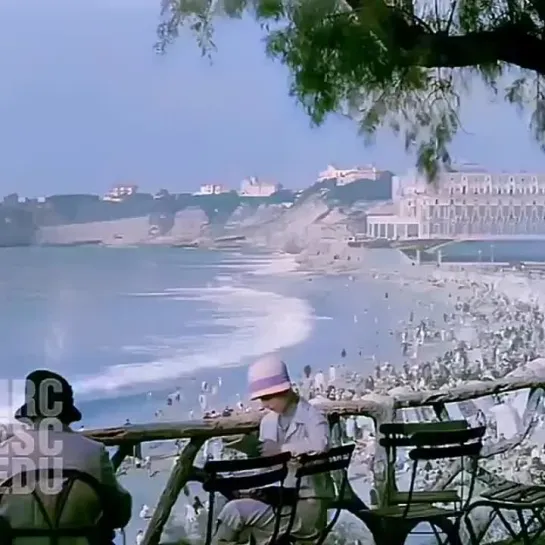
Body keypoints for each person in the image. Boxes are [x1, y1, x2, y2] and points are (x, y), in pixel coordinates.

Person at [212, 354, 334, 545]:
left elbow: (321, 446)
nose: (264, 404)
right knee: (235, 516)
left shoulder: (312, 416)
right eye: (261, 398)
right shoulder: (269, 421)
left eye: (268, 397)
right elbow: (267, 465)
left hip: (305, 509)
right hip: (280, 502)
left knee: (234, 513)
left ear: (284, 390)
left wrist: (282, 449)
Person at [0, 369, 132, 543]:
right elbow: (120, 514)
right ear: (67, 414)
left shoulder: (4, 453)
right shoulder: (94, 451)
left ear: (30, 413)